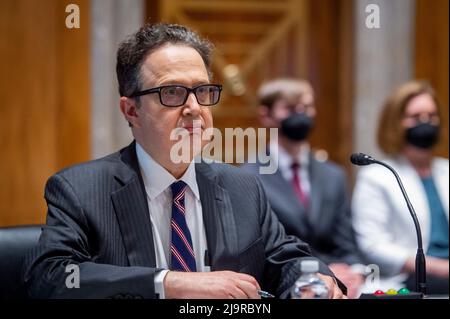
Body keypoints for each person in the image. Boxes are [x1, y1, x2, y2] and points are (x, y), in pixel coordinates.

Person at [22, 23, 345, 299]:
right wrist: (169, 283)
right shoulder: (82, 189)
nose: (194, 108)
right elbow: (50, 276)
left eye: (202, 91)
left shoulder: (240, 186)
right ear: (131, 111)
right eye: (172, 92)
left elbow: (287, 257)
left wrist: (315, 281)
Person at [241, 78, 365, 298]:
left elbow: (346, 245)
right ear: (266, 116)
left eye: (306, 107)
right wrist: (324, 272)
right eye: (290, 108)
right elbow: (258, 251)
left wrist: (353, 272)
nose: (301, 114)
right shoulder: (248, 177)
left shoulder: (333, 175)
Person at [352, 80, 449, 294]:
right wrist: (441, 268)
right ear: (396, 123)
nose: (426, 122)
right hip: (409, 278)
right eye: (416, 117)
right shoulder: (377, 176)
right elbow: (373, 245)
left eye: (432, 116)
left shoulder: (446, 170)